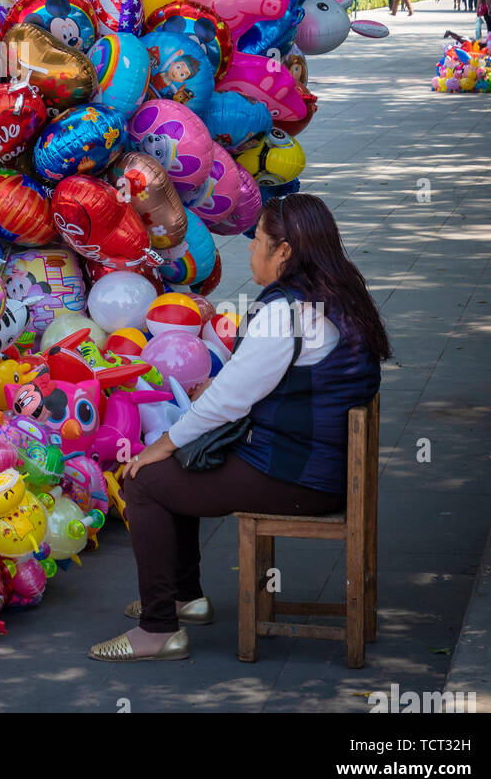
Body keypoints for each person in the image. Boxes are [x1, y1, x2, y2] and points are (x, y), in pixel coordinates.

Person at [88, 194, 388, 662]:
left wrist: (162, 444)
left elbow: (229, 401)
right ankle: (184, 597)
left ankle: (159, 629)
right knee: (181, 463)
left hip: (295, 476)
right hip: (323, 467)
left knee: (145, 479)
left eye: (258, 242)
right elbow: (268, 379)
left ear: (284, 251)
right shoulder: (340, 296)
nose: (250, 251)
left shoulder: (284, 312)